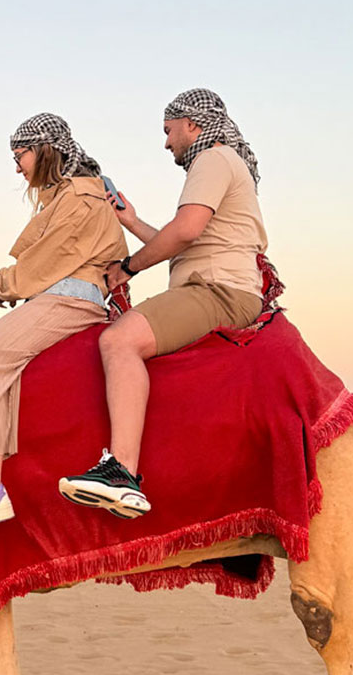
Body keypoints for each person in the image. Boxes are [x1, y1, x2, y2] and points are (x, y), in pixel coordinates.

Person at [59, 87, 268, 519]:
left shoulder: (212, 158)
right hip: (212, 281)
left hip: (217, 291)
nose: (166, 142)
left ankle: (121, 472)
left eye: (169, 131)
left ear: (193, 125)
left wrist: (128, 269)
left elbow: (186, 230)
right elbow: (185, 246)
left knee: (120, 341)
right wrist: (131, 221)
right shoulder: (224, 163)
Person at [0, 113, 126, 533]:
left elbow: (37, 272)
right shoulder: (72, 197)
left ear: (45, 151)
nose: (17, 165)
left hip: (69, 300)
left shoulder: (79, 201)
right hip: (62, 295)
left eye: (20, 154)